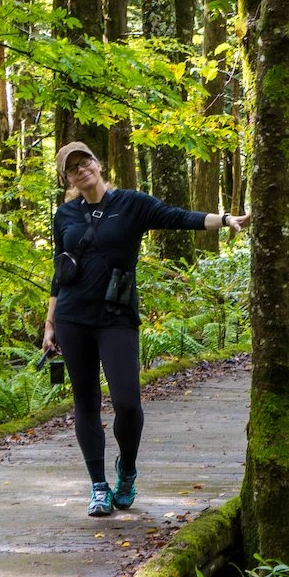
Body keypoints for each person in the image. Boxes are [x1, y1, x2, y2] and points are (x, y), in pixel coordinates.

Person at [41, 141, 249, 517]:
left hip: (116, 317)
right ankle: (98, 487)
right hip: (72, 318)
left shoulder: (131, 204)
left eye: (84, 161)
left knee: (128, 405)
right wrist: (50, 322)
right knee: (85, 402)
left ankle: (127, 468)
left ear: (98, 163)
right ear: (67, 179)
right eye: (71, 169)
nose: (80, 170)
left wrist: (223, 220)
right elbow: (60, 271)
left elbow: (177, 216)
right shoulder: (65, 215)